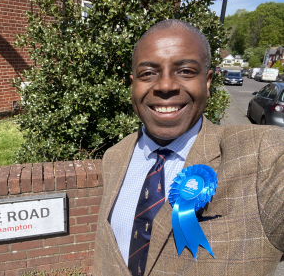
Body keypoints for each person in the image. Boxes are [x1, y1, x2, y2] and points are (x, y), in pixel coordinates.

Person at [94, 19, 284, 275]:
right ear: (133, 84)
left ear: (207, 81)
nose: (165, 85)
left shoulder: (263, 156)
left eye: (185, 71)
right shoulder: (114, 156)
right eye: (148, 73)